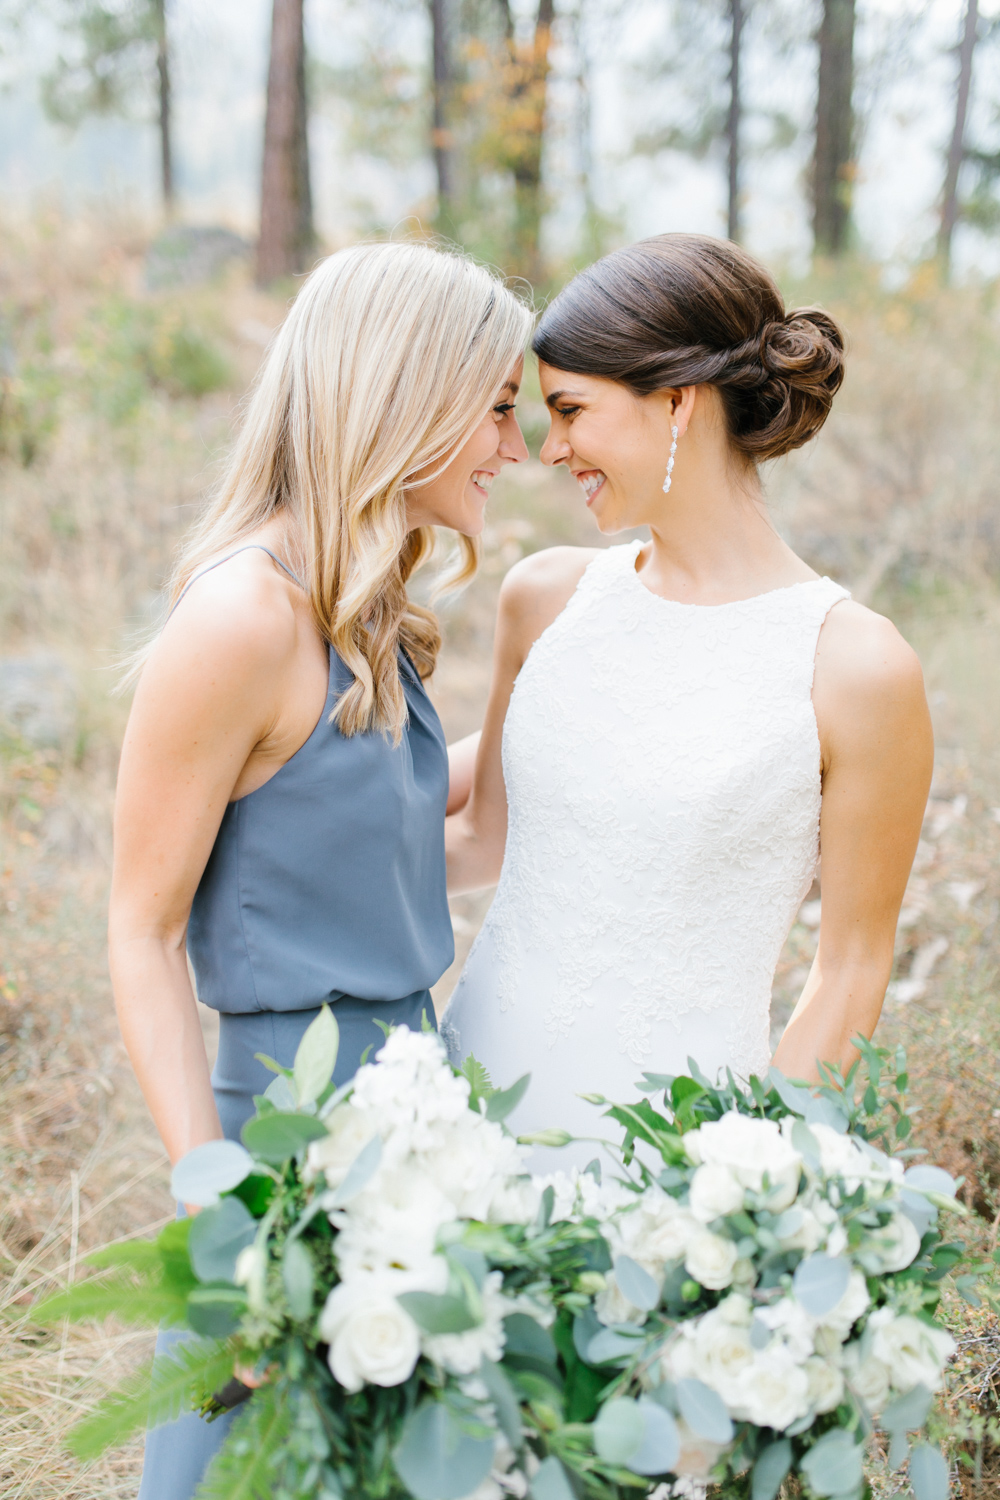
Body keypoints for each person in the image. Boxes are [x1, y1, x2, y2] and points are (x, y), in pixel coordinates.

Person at [107, 239, 530, 1496]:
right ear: (412, 396)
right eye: (499, 411)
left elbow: (419, 831)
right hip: (283, 1144)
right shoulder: (242, 618)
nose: (513, 449)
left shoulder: (365, 608)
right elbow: (140, 929)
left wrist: (547, 688)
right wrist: (214, 1206)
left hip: (419, 1112)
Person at [442, 233, 932, 1168]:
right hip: (473, 1108)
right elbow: (480, 840)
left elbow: (851, 969)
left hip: (678, 1152)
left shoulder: (855, 666)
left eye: (571, 410)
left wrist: (747, 1196)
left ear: (676, 401)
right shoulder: (543, 599)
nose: (550, 450)